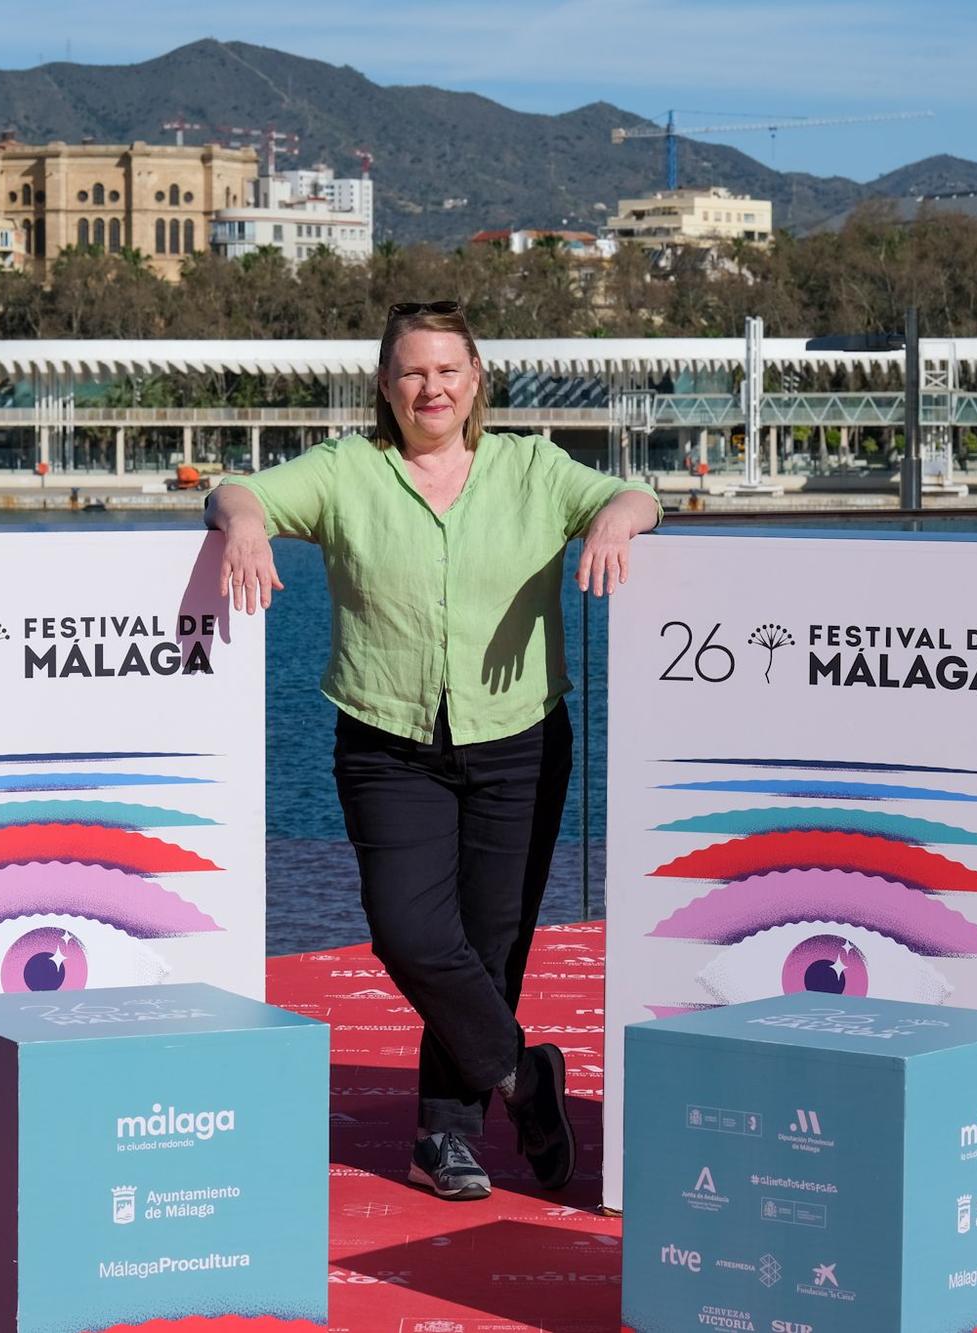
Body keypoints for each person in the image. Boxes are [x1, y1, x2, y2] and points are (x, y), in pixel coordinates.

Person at [206, 301, 660, 1201]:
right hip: (385, 738)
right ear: (386, 384)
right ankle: (525, 1075)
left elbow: (637, 494)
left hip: (521, 741)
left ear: (477, 377)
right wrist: (246, 524)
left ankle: (446, 1134)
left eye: (448, 369)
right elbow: (233, 490)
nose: (433, 387)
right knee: (410, 932)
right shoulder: (347, 471)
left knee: (490, 947)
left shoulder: (531, 466)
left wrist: (616, 520)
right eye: (413, 371)